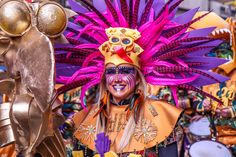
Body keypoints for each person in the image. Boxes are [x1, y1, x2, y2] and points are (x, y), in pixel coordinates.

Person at [55, 0, 228, 156]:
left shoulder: (161, 117)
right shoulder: (84, 119)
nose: (117, 78)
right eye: (111, 72)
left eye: (125, 71)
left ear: (138, 77)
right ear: (103, 77)